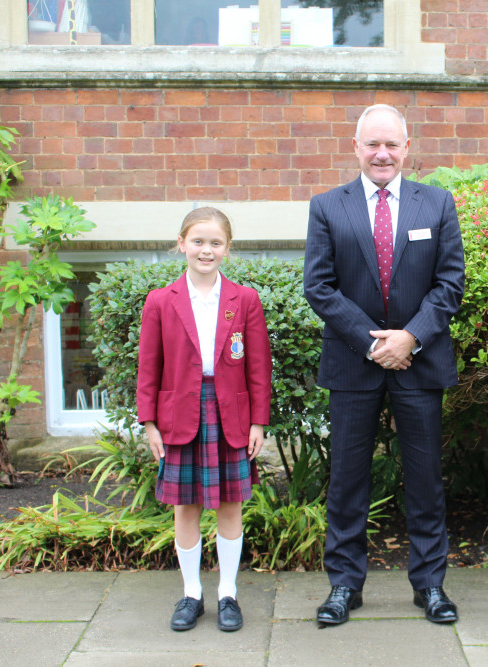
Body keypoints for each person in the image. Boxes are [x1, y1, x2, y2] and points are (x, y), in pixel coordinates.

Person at [303, 104, 465, 627]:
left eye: (392, 144)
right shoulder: (328, 207)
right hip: (354, 364)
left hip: (419, 363)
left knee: (425, 478)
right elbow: (319, 286)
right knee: (348, 479)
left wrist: (411, 337)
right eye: (373, 144)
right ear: (355, 147)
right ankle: (344, 585)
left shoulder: (436, 204)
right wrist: (374, 343)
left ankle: (430, 586)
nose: (382, 153)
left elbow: (450, 283)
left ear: (407, 147)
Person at [137, 206, 272, 633]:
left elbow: (258, 367)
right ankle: (192, 593)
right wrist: (149, 423)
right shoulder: (161, 300)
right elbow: (148, 366)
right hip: (179, 414)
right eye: (198, 241)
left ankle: (227, 593)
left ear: (227, 249)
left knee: (231, 505)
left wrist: (258, 422)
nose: (206, 250)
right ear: (181, 244)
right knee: (186, 507)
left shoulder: (244, 299)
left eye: (215, 243)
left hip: (230, 412)